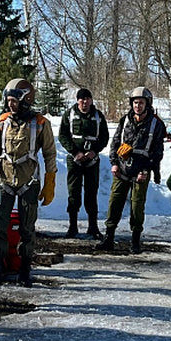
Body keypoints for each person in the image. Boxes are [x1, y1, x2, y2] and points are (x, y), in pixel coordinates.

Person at [0, 78, 57, 288]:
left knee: (27, 228)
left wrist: (50, 181)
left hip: (29, 181)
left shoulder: (41, 123)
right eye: (8, 101)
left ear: (26, 99)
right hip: (4, 180)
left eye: (14, 100)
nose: (10, 105)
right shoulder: (3, 122)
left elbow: (50, 154)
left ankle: (24, 269)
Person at [96, 87, 165, 254]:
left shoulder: (157, 124)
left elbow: (158, 152)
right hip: (122, 169)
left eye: (141, 103)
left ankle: (135, 241)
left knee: (137, 206)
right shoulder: (125, 120)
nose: (137, 106)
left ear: (147, 104)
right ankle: (109, 237)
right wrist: (113, 163)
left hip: (141, 171)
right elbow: (115, 143)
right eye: (135, 102)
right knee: (114, 203)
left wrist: (146, 170)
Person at [58, 88, 109, 239]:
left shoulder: (98, 116)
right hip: (75, 160)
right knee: (73, 193)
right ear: (77, 100)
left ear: (91, 100)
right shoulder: (70, 115)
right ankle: (72, 226)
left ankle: (93, 227)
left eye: (87, 99)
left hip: (92, 160)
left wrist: (95, 151)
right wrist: (75, 152)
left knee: (91, 194)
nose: (84, 102)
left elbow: (105, 137)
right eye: (82, 99)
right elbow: (63, 135)